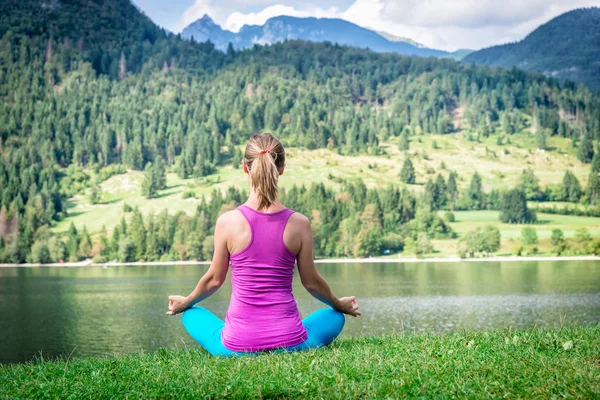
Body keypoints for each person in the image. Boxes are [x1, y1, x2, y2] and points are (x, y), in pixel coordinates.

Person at [166, 132, 360, 356]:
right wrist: (338, 304)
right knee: (334, 315)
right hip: (292, 343)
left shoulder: (227, 222)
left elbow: (214, 280)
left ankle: (224, 331)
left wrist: (186, 301)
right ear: (282, 168)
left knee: (192, 313)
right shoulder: (299, 224)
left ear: (245, 167)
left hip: (236, 347)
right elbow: (312, 282)